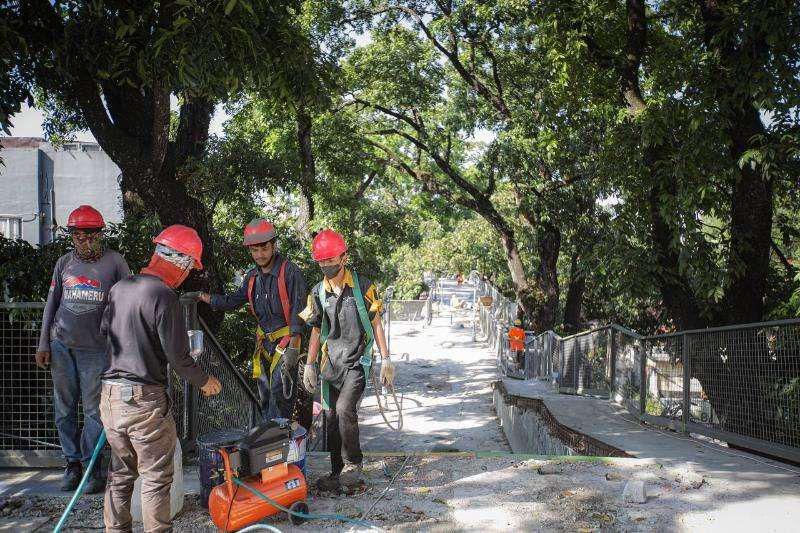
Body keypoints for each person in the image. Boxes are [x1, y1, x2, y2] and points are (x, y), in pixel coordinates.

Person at [100, 225, 222, 532]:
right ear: (179, 263)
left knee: (120, 475)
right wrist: (205, 381)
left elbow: (106, 334)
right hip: (144, 402)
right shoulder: (164, 295)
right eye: (188, 268)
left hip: (111, 397)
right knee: (155, 477)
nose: (186, 276)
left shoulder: (120, 287)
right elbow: (179, 359)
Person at [35, 205, 131, 493]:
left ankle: (92, 467)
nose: (86, 243)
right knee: (64, 409)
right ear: (72, 237)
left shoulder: (115, 262)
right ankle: (72, 463)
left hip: (96, 349)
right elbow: (52, 303)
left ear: (101, 234)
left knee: (93, 411)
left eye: (91, 237)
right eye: (79, 237)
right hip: (61, 345)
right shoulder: (64, 263)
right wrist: (44, 342)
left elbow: (129, 298)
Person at [301, 229, 394, 493]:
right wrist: (309, 364)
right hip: (330, 366)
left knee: (344, 409)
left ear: (344, 257)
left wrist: (386, 359)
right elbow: (316, 330)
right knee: (330, 418)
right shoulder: (318, 292)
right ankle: (335, 472)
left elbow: (376, 324)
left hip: (356, 363)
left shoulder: (364, 287)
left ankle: (353, 463)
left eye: (331, 260)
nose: (327, 265)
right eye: (321, 262)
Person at [196, 219, 307, 421]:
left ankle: (277, 441)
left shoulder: (290, 272)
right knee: (265, 395)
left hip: (287, 342)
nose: (259, 255)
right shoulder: (252, 277)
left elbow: (299, 311)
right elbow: (232, 301)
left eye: (263, 249)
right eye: (254, 251)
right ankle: (267, 442)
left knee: (278, 393)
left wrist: (294, 348)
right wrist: (205, 297)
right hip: (264, 343)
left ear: (274, 245)